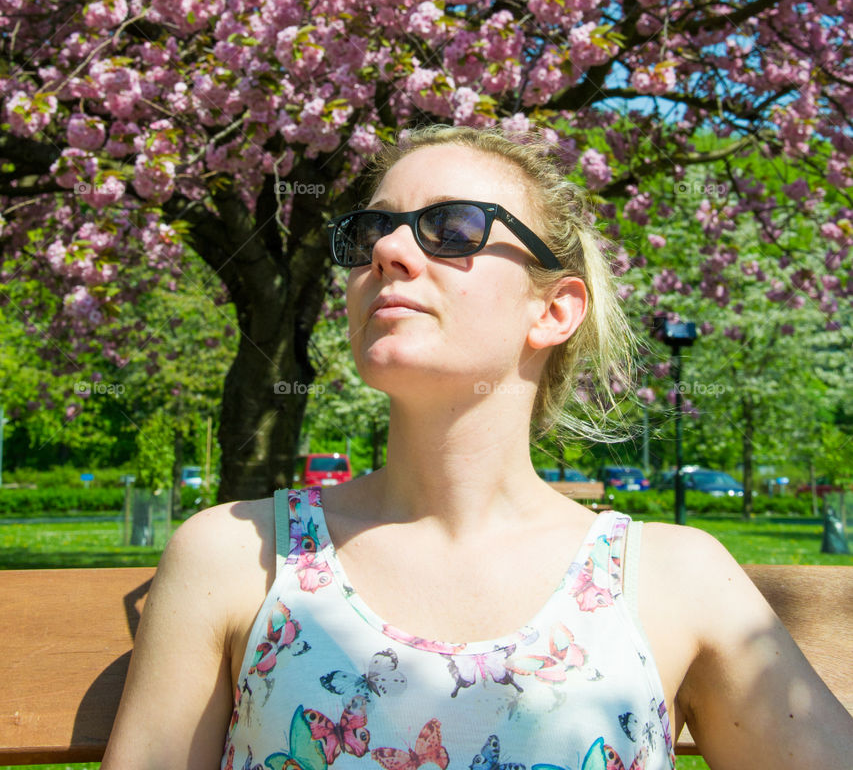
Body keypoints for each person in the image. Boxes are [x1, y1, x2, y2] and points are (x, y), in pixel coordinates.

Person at [101, 125, 853, 770]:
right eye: (369, 231)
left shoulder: (671, 578)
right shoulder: (235, 556)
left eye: (451, 227)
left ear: (553, 309)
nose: (387, 251)